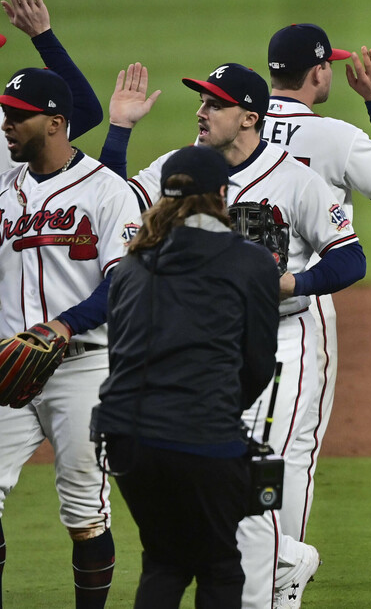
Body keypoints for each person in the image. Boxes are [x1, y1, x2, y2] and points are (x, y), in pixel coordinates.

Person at [99, 61, 366, 609]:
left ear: (248, 117)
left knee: (272, 462)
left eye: (213, 104)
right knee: (226, 481)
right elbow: (110, 202)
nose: (200, 112)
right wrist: (120, 130)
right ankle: (284, 562)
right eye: (201, 102)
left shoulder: (296, 179)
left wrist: (294, 281)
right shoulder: (181, 167)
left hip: (281, 340)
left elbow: (351, 258)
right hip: (207, 356)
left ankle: (274, 578)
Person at [0, 67, 139, 609]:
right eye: (3, 112)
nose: (5, 124)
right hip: (12, 370)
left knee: (84, 513)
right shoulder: (2, 190)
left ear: (55, 122)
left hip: (82, 368)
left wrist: (64, 324)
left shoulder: (108, 191)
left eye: (17, 116)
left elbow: (126, 283)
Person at [262, 21, 371, 592]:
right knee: (294, 446)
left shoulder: (232, 129)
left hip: (226, 312)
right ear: (320, 70)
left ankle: (256, 563)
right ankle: (282, 572)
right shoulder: (332, 135)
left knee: (243, 444)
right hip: (303, 304)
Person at [92, 144, 280, 608]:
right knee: (219, 567)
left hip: (125, 438)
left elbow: (121, 356)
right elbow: (258, 362)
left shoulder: (133, 263)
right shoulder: (250, 261)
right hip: (201, 436)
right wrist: (218, 409)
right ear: (222, 194)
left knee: (165, 560)